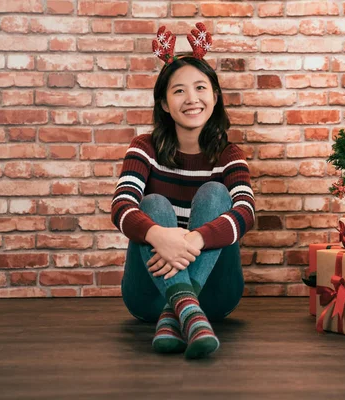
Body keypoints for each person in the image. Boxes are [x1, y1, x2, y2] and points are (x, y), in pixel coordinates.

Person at [111, 24, 255, 359]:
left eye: (200, 88)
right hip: (147, 295)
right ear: (163, 103)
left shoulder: (228, 155)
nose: (191, 99)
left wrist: (195, 239)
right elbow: (120, 207)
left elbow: (246, 211)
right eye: (178, 91)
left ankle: (177, 314)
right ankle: (187, 313)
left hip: (217, 296)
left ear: (215, 97)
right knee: (153, 203)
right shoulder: (143, 148)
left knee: (216, 195)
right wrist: (160, 235)